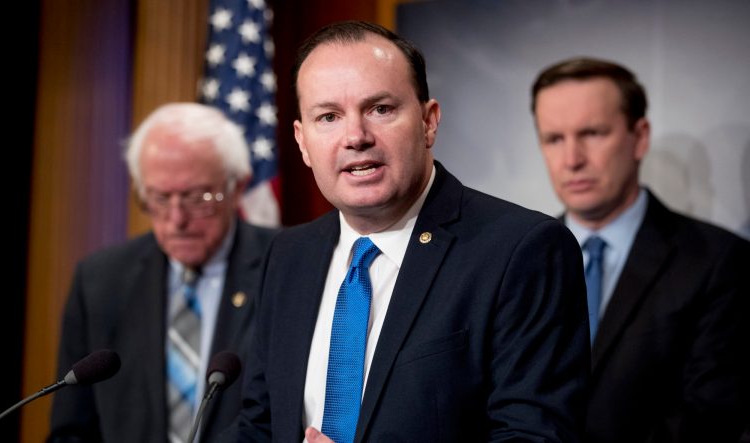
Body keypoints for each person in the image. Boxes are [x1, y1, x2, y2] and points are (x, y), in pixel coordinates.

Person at [221, 21, 589, 442]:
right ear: (303, 142)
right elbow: (260, 426)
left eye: (381, 109)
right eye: (329, 116)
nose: (356, 137)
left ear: (429, 121)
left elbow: (534, 436)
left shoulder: (521, 250)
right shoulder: (288, 255)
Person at [531, 57, 750, 443]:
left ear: (640, 137)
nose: (572, 160)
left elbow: (712, 419)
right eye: (554, 139)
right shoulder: (518, 259)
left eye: (593, 133)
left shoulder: (720, 261)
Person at [48, 102, 278, 442]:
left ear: (238, 188)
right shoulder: (100, 280)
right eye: (159, 198)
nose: (176, 220)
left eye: (197, 197)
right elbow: (72, 431)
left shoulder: (285, 268)